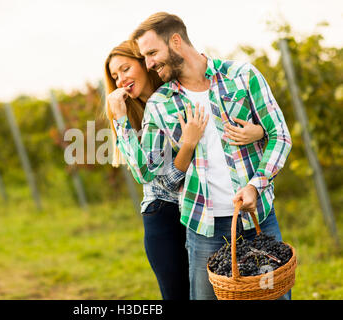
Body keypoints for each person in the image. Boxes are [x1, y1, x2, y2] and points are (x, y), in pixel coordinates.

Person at [117, 12, 293, 300]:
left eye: (151, 53)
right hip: (203, 227)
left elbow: (280, 136)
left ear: (175, 41)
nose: (148, 64)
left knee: (273, 297)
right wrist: (121, 122)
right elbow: (146, 173)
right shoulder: (160, 104)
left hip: (258, 215)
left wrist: (254, 185)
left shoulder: (242, 76)